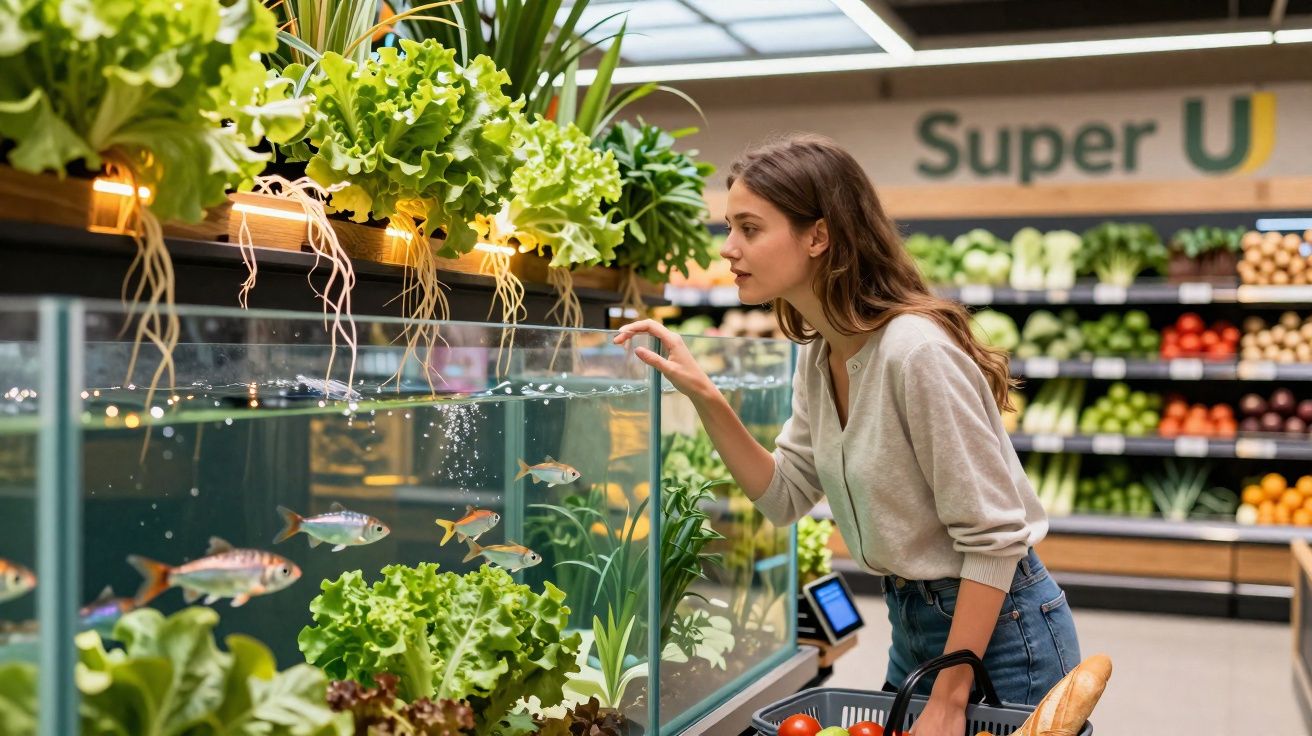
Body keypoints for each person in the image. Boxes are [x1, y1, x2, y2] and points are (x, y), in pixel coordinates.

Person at [614, 134, 1080, 735]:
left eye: (749, 229)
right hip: (915, 624)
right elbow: (783, 496)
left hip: (998, 635)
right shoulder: (818, 355)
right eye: (729, 227)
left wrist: (949, 694)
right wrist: (706, 396)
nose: (729, 249)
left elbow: (993, 538)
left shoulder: (915, 354)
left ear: (819, 235)